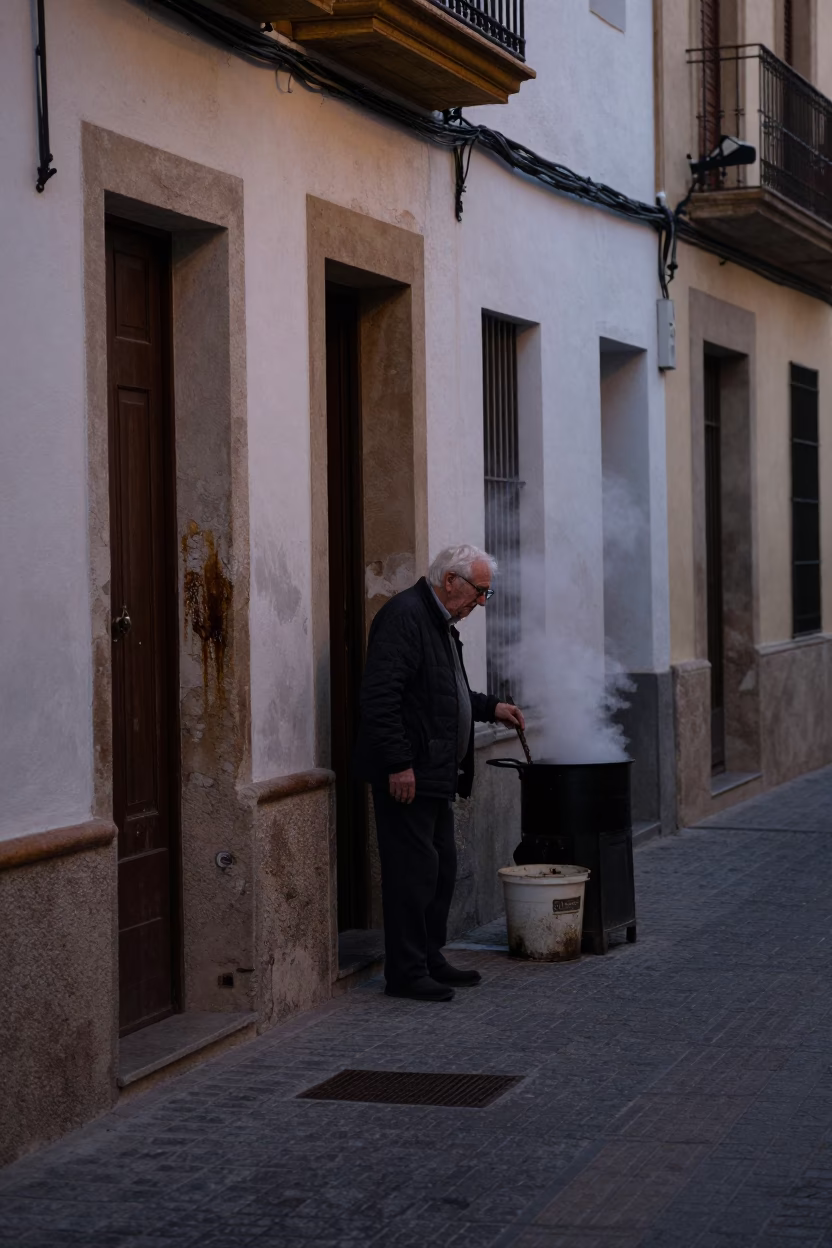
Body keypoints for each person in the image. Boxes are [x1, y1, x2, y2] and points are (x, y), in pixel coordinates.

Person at [354, 544, 526, 1002]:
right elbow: (380, 697)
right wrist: (398, 764)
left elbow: (447, 690)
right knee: (412, 874)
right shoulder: (405, 617)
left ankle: (429, 957)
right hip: (410, 772)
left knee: (440, 869)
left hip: (434, 771)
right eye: (479, 592)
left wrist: (492, 707)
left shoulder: (439, 623)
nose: (481, 603)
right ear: (450, 580)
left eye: (486, 594)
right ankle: (406, 972)